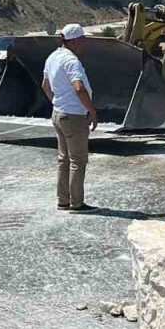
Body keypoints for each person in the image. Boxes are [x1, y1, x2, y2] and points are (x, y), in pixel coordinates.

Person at [42, 23, 98, 213]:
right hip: (73, 116)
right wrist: (92, 110)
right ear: (73, 41)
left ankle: (63, 200)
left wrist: (57, 104)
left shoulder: (52, 57)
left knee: (63, 159)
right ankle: (76, 203)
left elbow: (45, 86)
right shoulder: (71, 61)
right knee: (78, 160)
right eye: (82, 39)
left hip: (58, 114)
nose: (84, 43)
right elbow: (79, 88)